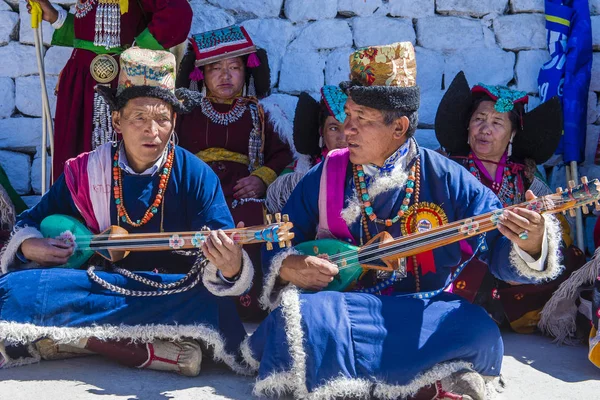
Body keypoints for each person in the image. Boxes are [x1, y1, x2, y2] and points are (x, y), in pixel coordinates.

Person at [241, 42, 564, 399]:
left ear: (399, 127)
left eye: (361, 119)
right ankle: (428, 383)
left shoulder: (449, 178)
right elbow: (280, 237)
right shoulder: (327, 173)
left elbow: (501, 251)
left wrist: (531, 240)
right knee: (303, 316)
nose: (347, 130)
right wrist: (290, 266)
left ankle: (360, 381)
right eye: (348, 115)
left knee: (478, 330)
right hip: (346, 309)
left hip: (420, 313)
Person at [0, 48, 255, 377]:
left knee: (211, 303)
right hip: (98, 285)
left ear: (174, 121)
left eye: (163, 119)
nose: (153, 131)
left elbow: (224, 258)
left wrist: (231, 265)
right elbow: (29, 222)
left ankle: (72, 340)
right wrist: (28, 245)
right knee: (18, 288)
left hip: (168, 290)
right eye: (140, 118)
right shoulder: (88, 169)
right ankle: (153, 348)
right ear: (117, 120)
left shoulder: (195, 174)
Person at [434, 72, 585, 333]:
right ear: (468, 126)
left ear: (512, 133)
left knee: (564, 259)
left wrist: (534, 240)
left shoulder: (525, 174)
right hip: (464, 262)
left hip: (511, 264)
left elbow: (558, 225)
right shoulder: (448, 168)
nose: (485, 129)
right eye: (479, 119)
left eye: (497, 122)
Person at [176, 25, 293, 320]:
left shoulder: (261, 112)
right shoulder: (185, 112)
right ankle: (195, 304)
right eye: (215, 68)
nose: (225, 76)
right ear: (200, 74)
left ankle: (252, 303)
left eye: (234, 67)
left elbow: (282, 154)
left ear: (247, 71)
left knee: (255, 220)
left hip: (242, 192)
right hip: (198, 192)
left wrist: (260, 179)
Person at [26, 0, 192, 181]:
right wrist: (56, 18)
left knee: (114, 161)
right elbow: (94, 35)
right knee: (74, 154)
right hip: (79, 82)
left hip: (118, 82)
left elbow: (177, 12)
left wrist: (136, 54)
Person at [265, 85, 348, 214]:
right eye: (333, 128)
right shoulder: (298, 177)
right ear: (322, 132)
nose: (343, 139)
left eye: (349, 128)